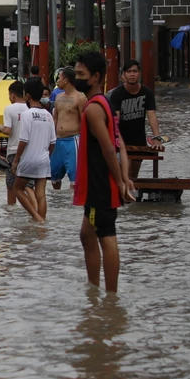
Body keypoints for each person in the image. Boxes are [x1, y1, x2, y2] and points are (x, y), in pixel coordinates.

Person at [73, 51, 133, 293]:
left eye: (81, 74)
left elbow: (110, 148)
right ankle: (94, 288)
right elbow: (120, 142)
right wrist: (125, 176)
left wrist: (120, 181)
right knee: (87, 235)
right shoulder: (104, 103)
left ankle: (110, 296)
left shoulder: (93, 109)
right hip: (102, 183)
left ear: (96, 77)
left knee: (106, 236)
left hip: (100, 184)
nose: (76, 78)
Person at [11, 78, 56, 223]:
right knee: (41, 194)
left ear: (27, 95)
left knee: (17, 189)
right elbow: (53, 142)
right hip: (43, 159)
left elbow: (24, 140)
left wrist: (16, 160)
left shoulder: (26, 115)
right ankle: (42, 223)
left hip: (28, 159)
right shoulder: (48, 115)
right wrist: (47, 155)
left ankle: (37, 218)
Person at [108, 59, 162, 178]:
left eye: (135, 71)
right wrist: (115, 139)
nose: (132, 74)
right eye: (129, 71)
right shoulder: (117, 94)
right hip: (122, 139)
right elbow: (116, 119)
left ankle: (132, 195)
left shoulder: (147, 93)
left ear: (139, 74)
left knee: (134, 176)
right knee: (123, 175)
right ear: (123, 75)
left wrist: (157, 137)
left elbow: (152, 115)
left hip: (139, 139)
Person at [50, 67, 86, 190]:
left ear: (65, 80)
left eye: (59, 78)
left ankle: (74, 207)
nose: (57, 81)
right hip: (58, 141)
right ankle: (59, 206)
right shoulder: (58, 97)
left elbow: (84, 121)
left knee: (74, 180)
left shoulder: (80, 98)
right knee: (54, 178)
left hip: (73, 140)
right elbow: (55, 118)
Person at [0, 80, 33, 207]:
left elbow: (8, 130)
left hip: (13, 151)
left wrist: (0, 127)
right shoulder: (30, 108)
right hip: (29, 152)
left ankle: (11, 212)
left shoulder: (9, 109)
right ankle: (32, 210)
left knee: (11, 185)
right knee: (28, 185)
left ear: (13, 95)